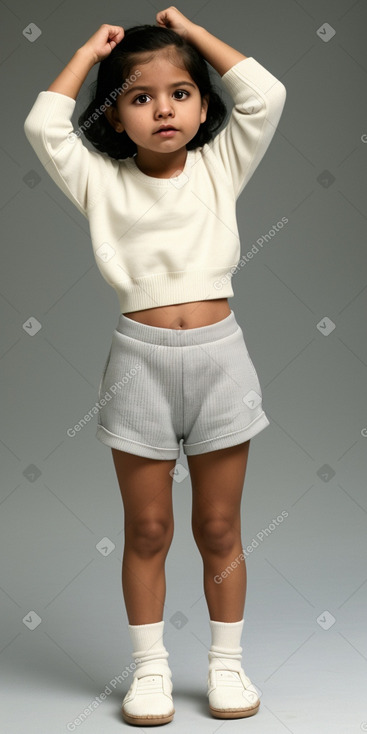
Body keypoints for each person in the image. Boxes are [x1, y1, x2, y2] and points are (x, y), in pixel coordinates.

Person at [24, 6, 286, 725]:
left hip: (220, 362)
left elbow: (266, 95)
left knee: (219, 528)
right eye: (139, 97)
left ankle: (226, 667)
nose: (162, 108)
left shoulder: (218, 164)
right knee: (146, 531)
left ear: (203, 108)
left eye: (180, 92)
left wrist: (190, 32)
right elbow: (44, 126)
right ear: (114, 118)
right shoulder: (99, 183)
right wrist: (87, 50)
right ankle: (149, 672)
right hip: (138, 367)